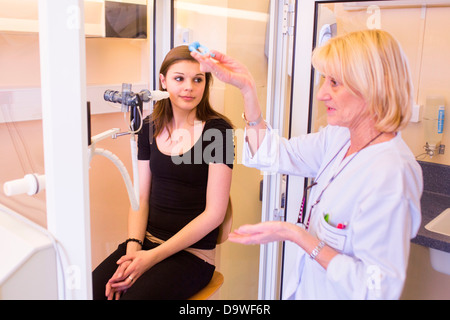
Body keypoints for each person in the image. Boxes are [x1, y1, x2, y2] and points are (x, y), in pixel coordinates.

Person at [191, 29, 422, 299]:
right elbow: (273, 154)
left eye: (335, 82)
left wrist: (296, 235)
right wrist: (247, 89)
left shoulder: (391, 174)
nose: (322, 94)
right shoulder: (339, 138)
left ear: (374, 87)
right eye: (324, 79)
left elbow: (377, 289)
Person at [92, 45, 234, 300]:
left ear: (206, 83)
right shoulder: (149, 127)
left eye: (197, 79)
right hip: (145, 242)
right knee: (90, 290)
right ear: (163, 81)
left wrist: (150, 259)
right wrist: (134, 249)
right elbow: (141, 199)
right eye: (179, 78)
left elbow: (215, 214)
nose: (189, 87)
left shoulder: (219, 132)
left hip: (192, 255)